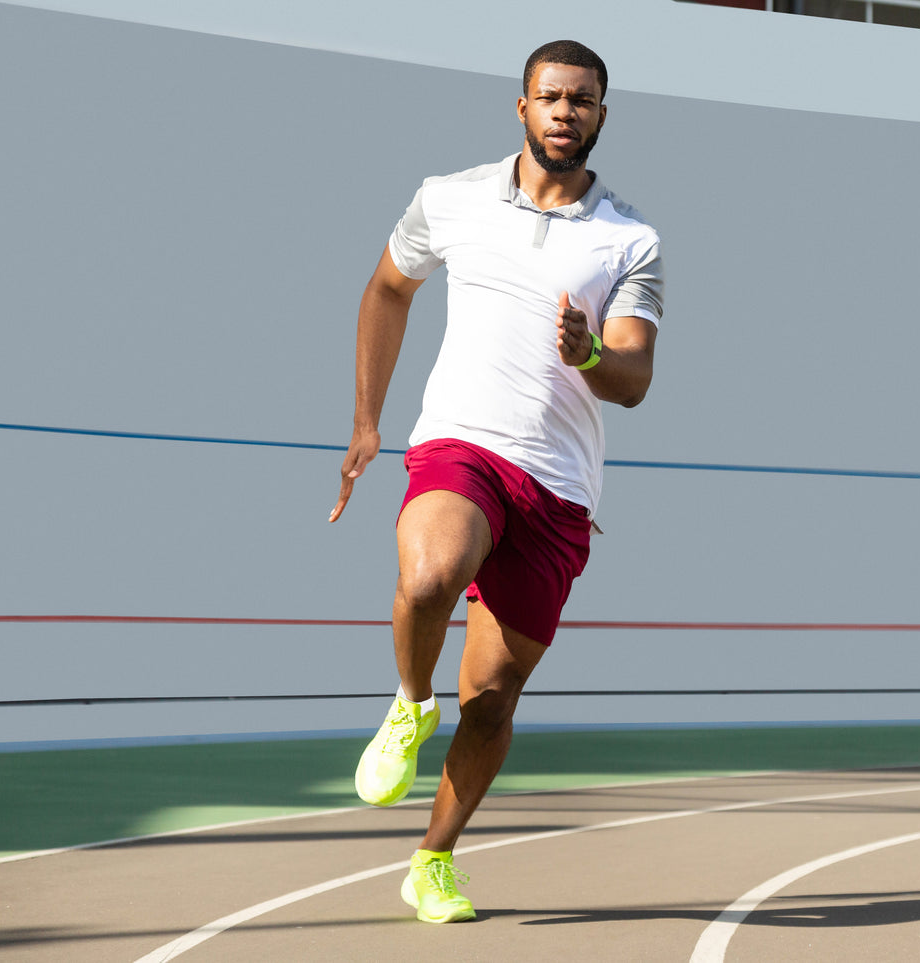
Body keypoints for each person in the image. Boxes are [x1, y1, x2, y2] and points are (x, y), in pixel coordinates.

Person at [327, 39, 663, 924]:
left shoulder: (632, 238)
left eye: (581, 100)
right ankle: (407, 703)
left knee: (491, 700)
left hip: (558, 491)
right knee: (430, 576)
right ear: (521, 107)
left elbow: (632, 377)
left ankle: (432, 859)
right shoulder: (450, 197)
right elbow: (386, 289)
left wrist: (588, 352)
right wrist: (367, 419)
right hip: (461, 445)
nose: (564, 111)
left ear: (600, 114)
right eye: (549, 96)